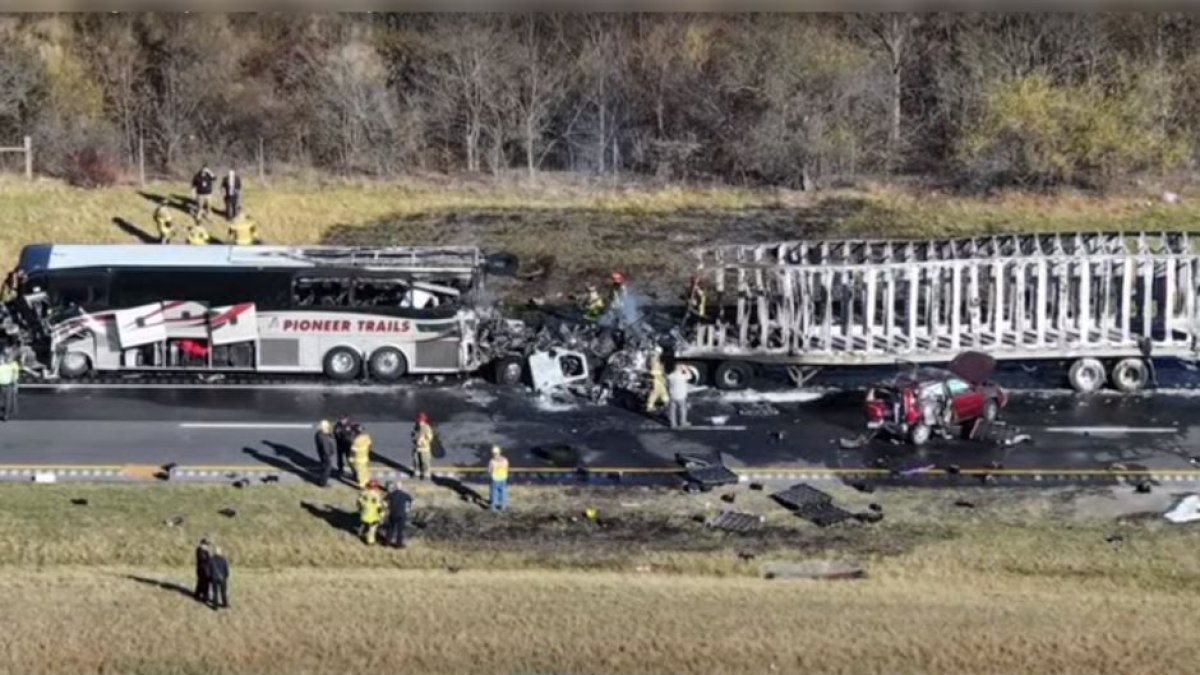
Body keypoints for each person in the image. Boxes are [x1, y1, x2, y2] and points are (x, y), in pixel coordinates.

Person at [382, 481, 413, 548]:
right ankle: (398, 544)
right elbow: (410, 501)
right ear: (401, 487)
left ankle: (387, 543)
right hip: (402, 514)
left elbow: (384, 500)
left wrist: (387, 507)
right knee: (400, 530)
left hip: (393, 514)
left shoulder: (391, 494)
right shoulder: (405, 494)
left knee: (390, 529)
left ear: (395, 487)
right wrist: (408, 509)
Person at [357, 480, 384, 545]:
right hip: (373, 516)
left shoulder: (363, 493)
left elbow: (359, 501)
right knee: (372, 530)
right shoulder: (377, 495)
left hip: (364, 514)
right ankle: (370, 541)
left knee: (364, 524)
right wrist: (381, 515)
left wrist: (360, 509)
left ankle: (361, 532)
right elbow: (379, 507)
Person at [411, 411, 435, 480]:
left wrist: (424, 441)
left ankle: (426, 474)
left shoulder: (426, 427)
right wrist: (414, 440)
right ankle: (417, 473)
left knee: (425, 461)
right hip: (416, 448)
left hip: (424, 448)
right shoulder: (415, 427)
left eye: (421, 421)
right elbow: (412, 435)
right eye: (419, 420)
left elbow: (430, 437)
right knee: (416, 461)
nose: (419, 422)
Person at [666, 363, 691, 429]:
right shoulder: (682, 376)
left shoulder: (670, 376)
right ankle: (683, 423)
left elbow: (667, 385)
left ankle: (673, 424)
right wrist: (685, 369)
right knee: (682, 410)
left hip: (672, 395)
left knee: (672, 410)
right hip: (681, 396)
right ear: (680, 369)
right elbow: (690, 376)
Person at [644, 347, 667, 414]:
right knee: (657, 391)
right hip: (656, 376)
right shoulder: (654, 358)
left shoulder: (652, 357)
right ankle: (650, 406)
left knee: (658, 391)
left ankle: (664, 402)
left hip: (656, 375)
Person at [313, 419, 336, 487]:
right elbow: (325, 447)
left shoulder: (319, 433)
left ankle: (321, 480)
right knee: (327, 468)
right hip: (326, 455)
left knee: (324, 467)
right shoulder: (322, 436)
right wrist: (329, 454)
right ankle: (323, 483)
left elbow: (330, 436)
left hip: (323, 454)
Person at [487, 445, 509, 513]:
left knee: (494, 492)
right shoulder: (505, 460)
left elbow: (489, 470)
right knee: (503, 492)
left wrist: (490, 474)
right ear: (500, 452)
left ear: (493, 453)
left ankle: (493, 506)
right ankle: (503, 506)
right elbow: (507, 468)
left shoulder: (492, 461)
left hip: (495, 479)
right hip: (503, 478)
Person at [350, 424, 372, 489]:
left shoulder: (356, 441)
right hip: (365, 457)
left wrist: (351, 458)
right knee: (365, 470)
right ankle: (367, 480)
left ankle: (361, 485)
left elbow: (353, 451)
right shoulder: (366, 437)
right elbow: (370, 445)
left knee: (360, 472)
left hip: (358, 459)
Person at [0, 351, 19, 422]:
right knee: (8, 401)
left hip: (5, 385)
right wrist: (15, 385)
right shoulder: (10, 367)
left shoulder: (6, 367)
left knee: (6, 401)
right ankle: (6, 416)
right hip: (8, 385)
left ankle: (6, 415)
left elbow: (13, 377)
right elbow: (13, 377)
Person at [193, 538, 212, 603]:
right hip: (202, 570)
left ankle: (197, 595)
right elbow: (203, 560)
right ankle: (205, 597)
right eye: (206, 545)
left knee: (201, 583)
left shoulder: (204, 551)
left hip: (205, 570)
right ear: (202, 544)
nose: (207, 546)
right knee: (204, 584)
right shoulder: (200, 551)